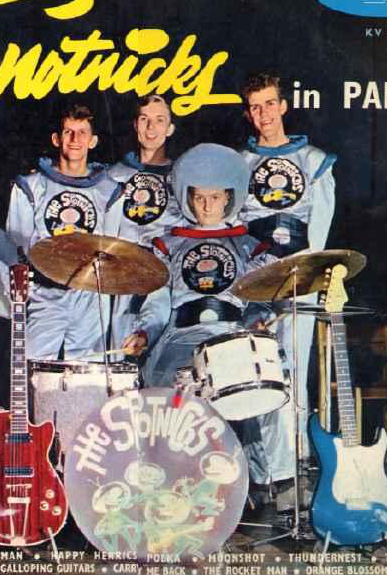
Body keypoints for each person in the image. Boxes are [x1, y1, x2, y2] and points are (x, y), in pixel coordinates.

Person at [121, 144, 297, 509]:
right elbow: (157, 305)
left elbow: (256, 301)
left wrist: (257, 322)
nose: (206, 205)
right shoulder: (168, 246)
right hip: (181, 339)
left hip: (232, 337)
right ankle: (176, 482)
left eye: (214, 197)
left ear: (228, 198)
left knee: (270, 387)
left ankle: (275, 481)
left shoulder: (248, 246)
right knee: (174, 388)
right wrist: (144, 333)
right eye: (199, 197)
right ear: (188, 198)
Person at [239, 73, 336, 510]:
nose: (263, 114)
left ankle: (291, 468)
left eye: (269, 104)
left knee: (292, 367)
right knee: (253, 369)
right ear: (248, 114)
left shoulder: (313, 160)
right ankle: (258, 470)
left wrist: (309, 276)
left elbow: (319, 231)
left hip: (298, 277)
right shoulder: (240, 162)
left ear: (283, 106)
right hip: (254, 277)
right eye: (255, 107)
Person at [6, 104, 122, 361]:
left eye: (82, 132)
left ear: (93, 141)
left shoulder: (109, 191)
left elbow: (115, 247)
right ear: (56, 139)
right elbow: (16, 246)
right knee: (34, 369)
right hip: (43, 292)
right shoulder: (31, 186)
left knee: (87, 374)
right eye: (68, 132)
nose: (75, 139)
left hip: (89, 296)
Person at [107, 95, 183, 356]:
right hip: (122, 276)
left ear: (170, 128)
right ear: (135, 125)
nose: (151, 128)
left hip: (165, 277)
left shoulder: (181, 177)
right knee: (119, 355)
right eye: (144, 119)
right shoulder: (114, 175)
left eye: (159, 120)